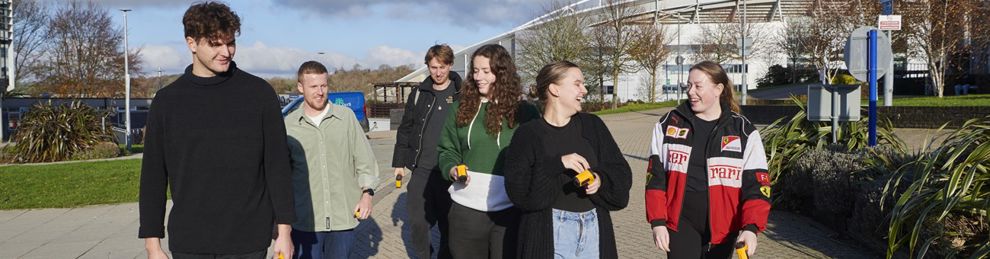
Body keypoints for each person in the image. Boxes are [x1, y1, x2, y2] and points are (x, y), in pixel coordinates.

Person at [139, 2, 295, 258]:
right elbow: (153, 175)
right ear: (192, 43)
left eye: (231, 43)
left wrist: (285, 231)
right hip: (190, 241)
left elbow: (277, 166)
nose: (226, 51)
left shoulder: (258, 94)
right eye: (215, 44)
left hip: (248, 239)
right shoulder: (167, 101)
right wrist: (152, 243)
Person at [504, 61, 632, 259]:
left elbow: (621, 171)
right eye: (577, 83)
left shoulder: (593, 126)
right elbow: (519, 193)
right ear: (554, 89)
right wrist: (558, 164)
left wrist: (600, 180)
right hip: (550, 234)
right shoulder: (527, 135)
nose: (584, 90)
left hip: (593, 229)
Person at [645, 61, 771, 258]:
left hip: (724, 226)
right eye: (688, 85)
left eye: (698, 86)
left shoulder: (743, 131)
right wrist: (657, 222)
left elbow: (756, 185)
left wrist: (751, 227)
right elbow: (655, 179)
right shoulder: (668, 124)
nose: (691, 92)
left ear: (718, 89)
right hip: (680, 222)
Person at [437, 44, 540, 259]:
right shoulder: (460, 107)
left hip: (510, 210)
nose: (478, 77)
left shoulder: (525, 112)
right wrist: (452, 168)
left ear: (502, 73)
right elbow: (447, 149)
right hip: (466, 210)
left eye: (486, 71)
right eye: (475, 71)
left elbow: (538, 154)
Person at [285, 61, 379, 259]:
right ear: (300, 87)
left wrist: (367, 194)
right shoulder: (288, 125)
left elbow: (365, 161)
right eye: (313, 87)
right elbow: (281, 175)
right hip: (305, 220)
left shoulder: (346, 118)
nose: (320, 92)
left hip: (343, 218)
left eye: (324, 85)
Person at [392, 44, 461, 259]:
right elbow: (406, 128)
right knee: (417, 222)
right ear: (427, 67)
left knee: (450, 225)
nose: (438, 72)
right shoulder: (418, 93)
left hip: (451, 171)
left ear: (450, 65)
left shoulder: (463, 93)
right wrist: (399, 163)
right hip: (421, 169)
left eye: (442, 67)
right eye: (433, 67)